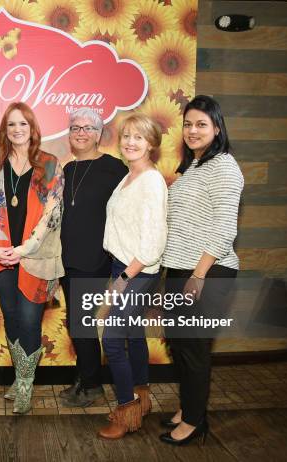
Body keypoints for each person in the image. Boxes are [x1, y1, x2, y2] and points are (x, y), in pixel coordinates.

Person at [160, 95, 244, 445]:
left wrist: (198, 274)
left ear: (217, 128)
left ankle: (195, 421)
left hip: (207, 271)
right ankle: (189, 406)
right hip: (181, 268)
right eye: (189, 124)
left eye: (201, 124)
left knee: (193, 348)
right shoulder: (193, 166)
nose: (193, 131)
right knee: (179, 344)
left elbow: (225, 228)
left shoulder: (224, 166)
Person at [0, 102, 64, 414]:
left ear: (33, 129)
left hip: (36, 257)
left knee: (30, 321)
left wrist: (24, 249)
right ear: (5, 130)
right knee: (13, 319)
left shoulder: (51, 164)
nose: (17, 130)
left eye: (23, 124)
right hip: (2, 257)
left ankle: (26, 385)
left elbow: (51, 214)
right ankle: (20, 377)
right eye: (11, 124)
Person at [98, 113, 167, 439]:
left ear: (151, 143)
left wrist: (123, 278)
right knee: (134, 333)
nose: (130, 142)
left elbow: (153, 243)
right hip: (124, 265)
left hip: (137, 270)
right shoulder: (129, 176)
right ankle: (142, 397)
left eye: (138, 137)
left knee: (112, 338)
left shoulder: (151, 181)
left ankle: (126, 412)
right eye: (126, 136)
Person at [59, 108, 128, 408]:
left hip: (95, 259)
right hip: (67, 260)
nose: (81, 132)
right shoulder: (67, 170)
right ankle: (83, 379)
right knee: (78, 323)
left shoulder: (115, 168)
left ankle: (93, 387)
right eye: (75, 128)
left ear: (99, 134)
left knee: (82, 323)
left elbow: (127, 215)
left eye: (88, 128)